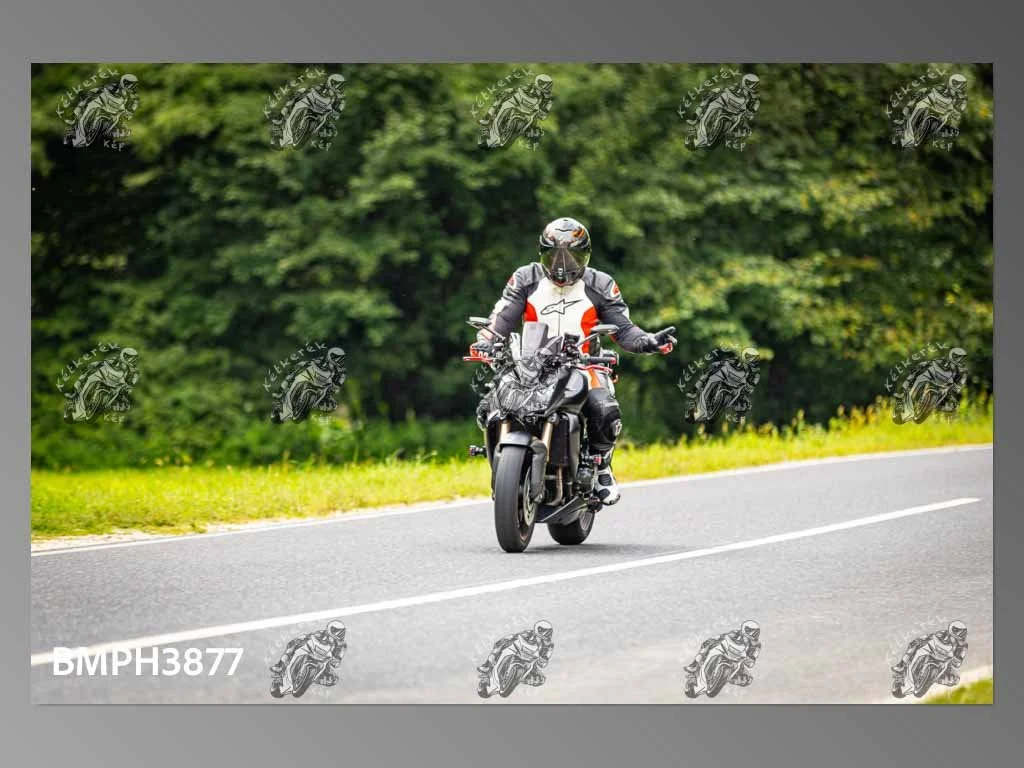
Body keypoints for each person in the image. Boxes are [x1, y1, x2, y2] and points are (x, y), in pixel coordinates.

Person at [472, 217, 674, 505]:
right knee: (490, 403)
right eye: (554, 256)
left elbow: (624, 329)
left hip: (584, 362)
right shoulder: (525, 278)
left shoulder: (600, 284)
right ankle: (504, 461)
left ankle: (601, 465)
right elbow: (501, 318)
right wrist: (486, 341)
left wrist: (648, 341)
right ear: (542, 253)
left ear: (586, 255)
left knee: (603, 406)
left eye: (572, 256)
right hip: (530, 364)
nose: (562, 265)